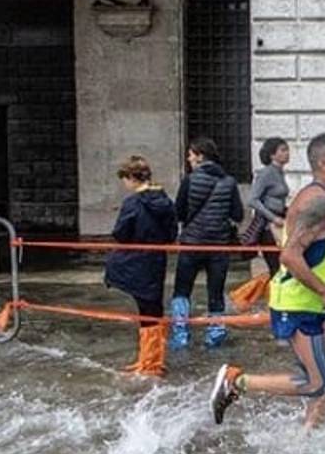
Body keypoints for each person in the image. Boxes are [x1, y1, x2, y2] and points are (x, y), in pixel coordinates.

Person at [210, 134, 325, 427]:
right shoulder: (316, 202)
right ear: (324, 163)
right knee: (316, 383)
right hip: (298, 303)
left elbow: (312, 251)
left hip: (314, 301)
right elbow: (289, 257)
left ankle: (307, 440)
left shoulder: (322, 200)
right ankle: (236, 382)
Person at [104, 156, 176, 376]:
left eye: (124, 179)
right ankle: (151, 359)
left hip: (136, 260)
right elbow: (172, 233)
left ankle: (149, 361)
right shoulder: (165, 200)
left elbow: (120, 232)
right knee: (152, 307)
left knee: (146, 310)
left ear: (131, 177)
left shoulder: (133, 203)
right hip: (156, 259)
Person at [169, 137, 244, 351]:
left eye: (191, 154)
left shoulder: (190, 180)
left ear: (201, 156)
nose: (189, 158)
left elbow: (179, 212)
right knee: (216, 290)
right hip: (218, 246)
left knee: (182, 289)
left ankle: (181, 332)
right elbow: (237, 214)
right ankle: (215, 333)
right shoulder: (229, 182)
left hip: (192, 244)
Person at [247, 137, 291, 275]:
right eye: (283, 150)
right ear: (273, 155)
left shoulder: (279, 172)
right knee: (275, 266)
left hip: (279, 222)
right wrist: (272, 217)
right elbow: (252, 200)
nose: (287, 153)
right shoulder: (266, 173)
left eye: (287, 149)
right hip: (267, 226)